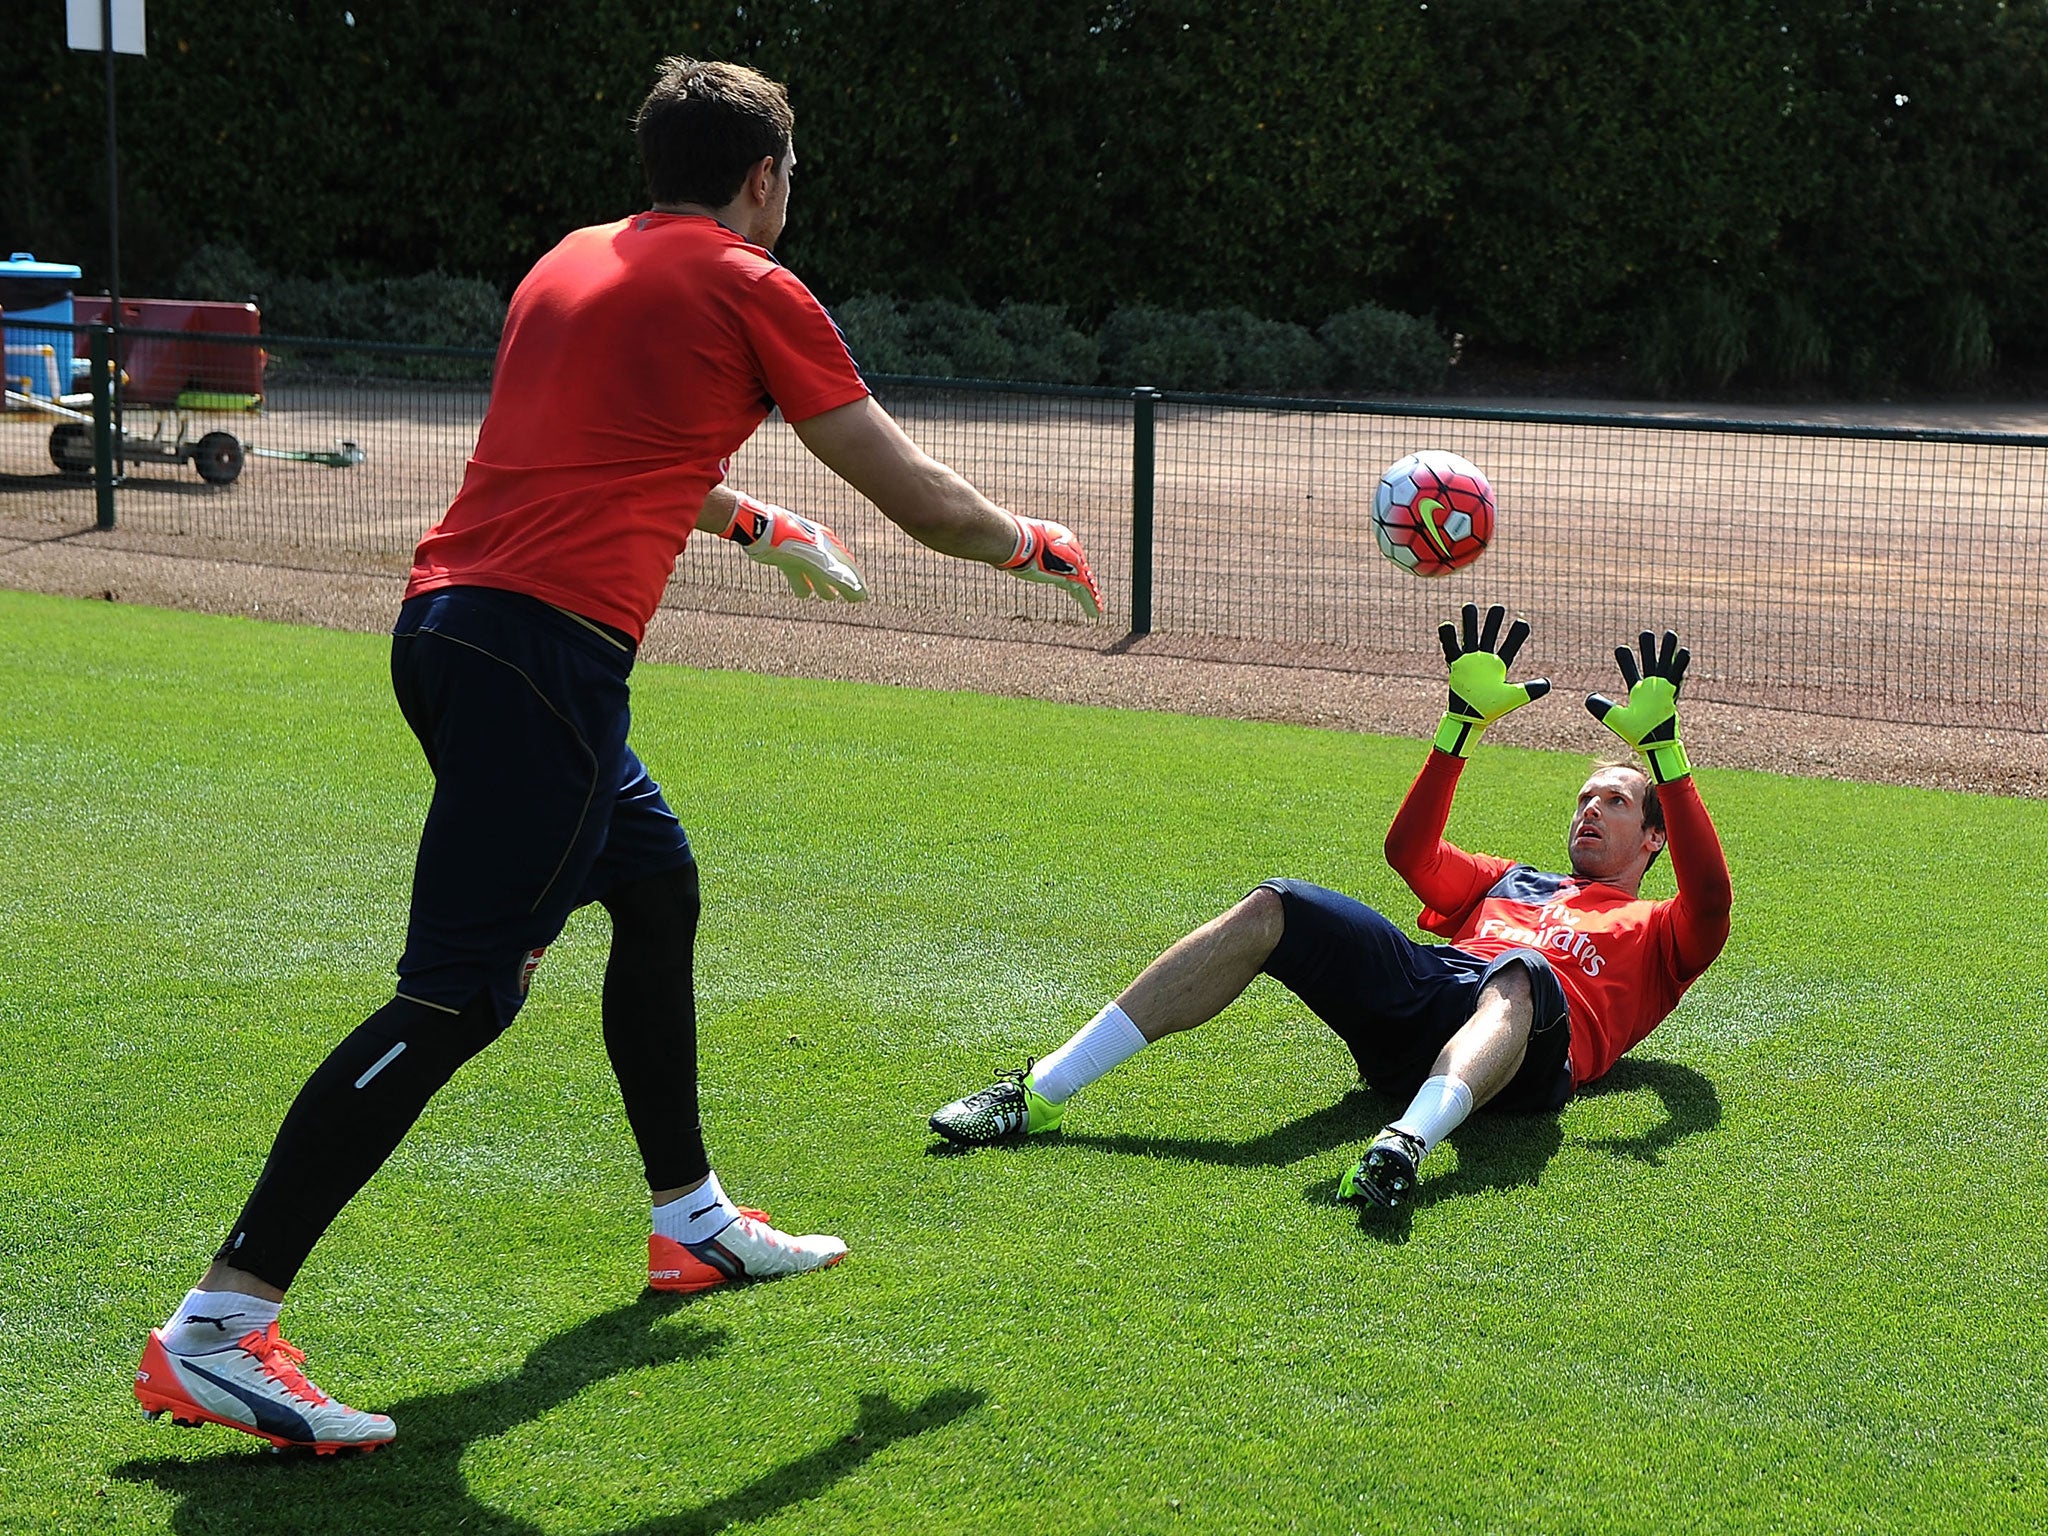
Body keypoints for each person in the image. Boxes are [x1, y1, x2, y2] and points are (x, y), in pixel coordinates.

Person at [133, 56, 1102, 1455]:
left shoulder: (570, 264)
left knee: (654, 886)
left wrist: (754, 526)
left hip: (452, 628)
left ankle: (689, 1222)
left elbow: (602, 453)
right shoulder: (755, 284)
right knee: (459, 998)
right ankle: (218, 1329)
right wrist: (1030, 542)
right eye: (790, 177)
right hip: (546, 664)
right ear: (763, 176)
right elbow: (915, 495)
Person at [928, 604, 1732, 1211]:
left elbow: (1713, 898)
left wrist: (1664, 756)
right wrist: (1457, 731)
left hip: (1529, 1058)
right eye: (1584, 797)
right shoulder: (1510, 879)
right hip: (1426, 1007)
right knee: (1279, 904)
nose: (1589, 810)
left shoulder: (1663, 929)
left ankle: (1404, 1147)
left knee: (1522, 972)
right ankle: (1035, 1094)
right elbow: (1410, 857)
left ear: (1655, 838)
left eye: (1617, 802)